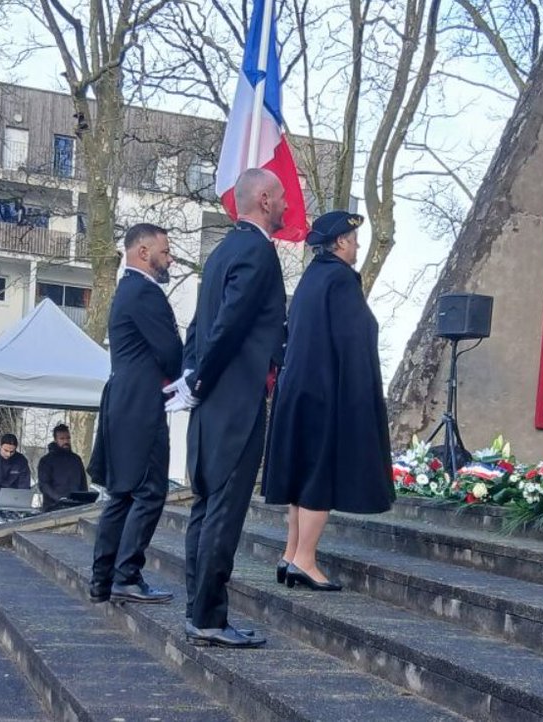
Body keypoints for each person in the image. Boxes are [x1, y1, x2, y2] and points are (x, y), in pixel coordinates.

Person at [168, 168, 287, 649]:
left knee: (205, 505)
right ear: (262, 199)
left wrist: (192, 377)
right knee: (224, 509)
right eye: (279, 198)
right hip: (236, 399)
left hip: (210, 401)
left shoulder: (220, 253)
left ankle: (200, 609)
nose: (285, 206)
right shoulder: (257, 252)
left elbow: (200, 327)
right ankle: (210, 618)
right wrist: (198, 377)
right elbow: (230, 326)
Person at [263, 210, 394, 592]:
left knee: (301, 473)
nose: (357, 246)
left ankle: (291, 554)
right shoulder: (340, 279)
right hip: (325, 392)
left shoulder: (311, 278)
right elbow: (357, 336)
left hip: (298, 390)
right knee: (319, 474)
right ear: (339, 242)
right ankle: (305, 559)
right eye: (353, 241)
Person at [89, 223, 181, 608]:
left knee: (123, 494)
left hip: (122, 400)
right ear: (143, 252)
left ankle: (103, 579)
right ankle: (126, 576)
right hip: (141, 404)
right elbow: (173, 355)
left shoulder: (126, 290)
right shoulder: (145, 292)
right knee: (148, 491)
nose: (170, 258)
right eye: (165, 251)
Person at [37, 423, 87, 509]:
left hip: (76, 507)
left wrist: (85, 500)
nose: (66, 441)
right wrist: (60, 498)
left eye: (68, 438)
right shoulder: (46, 460)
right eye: (62, 438)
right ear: (55, 440)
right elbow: (44, 485)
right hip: (52, 508)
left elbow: (83, 485)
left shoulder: (76, 460)